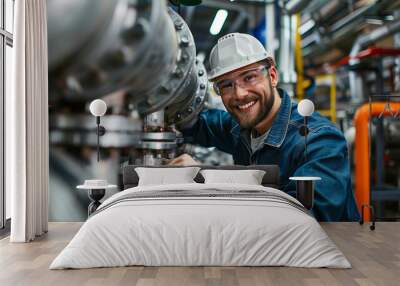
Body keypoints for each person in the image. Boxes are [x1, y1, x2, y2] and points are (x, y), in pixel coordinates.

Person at [168, 33, 359, 222]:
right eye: (226, 85)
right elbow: (200, 124)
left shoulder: (319, 140)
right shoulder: (241, 128)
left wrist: (208, 182)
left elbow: (302, 220)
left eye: (249, 77)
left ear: (273, 76)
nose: (240, 94)